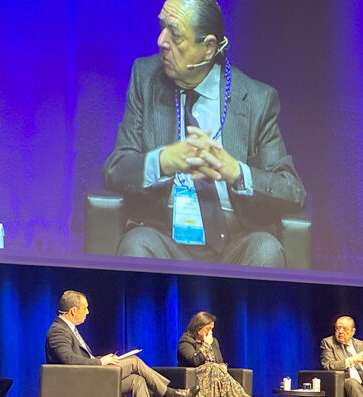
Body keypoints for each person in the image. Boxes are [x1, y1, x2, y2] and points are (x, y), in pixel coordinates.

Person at [103, 0, 305, 267]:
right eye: (162, 27)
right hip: (163, 236)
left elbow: (291, 190)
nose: (161, 41)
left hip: (236, 243)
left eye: (175, 35)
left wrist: (236, 172)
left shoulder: (256, 99)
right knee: (136, 245)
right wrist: (163, 160)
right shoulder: (145, 78)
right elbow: (115, 170)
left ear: (209, 47)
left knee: (266, 249)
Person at [45, 290, 199, 397]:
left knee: (136, 380)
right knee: (134, 362)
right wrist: (100, 363)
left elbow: (83, 358)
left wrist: (104, 359)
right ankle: (170, 394)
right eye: (85, 308)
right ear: (73, 311)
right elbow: (67, 359)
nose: (88, 312)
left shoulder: (69, 329)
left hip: (90, 377)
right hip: (80, 383)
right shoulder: (58, 331)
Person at [177, 312, 257, 397]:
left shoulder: (214, 341)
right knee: (213, 368)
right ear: (199, 328)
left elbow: (219, 361)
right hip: (195, 379)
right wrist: (206, 345)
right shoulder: (186, 342)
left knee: (216, 368)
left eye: (212, 329)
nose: (211, 332)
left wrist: (221, 366)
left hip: (213, 380)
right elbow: (193, 361)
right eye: (208, 329)